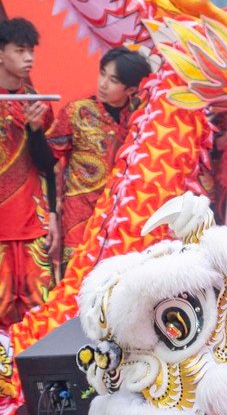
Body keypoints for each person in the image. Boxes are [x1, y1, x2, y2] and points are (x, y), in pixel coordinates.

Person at [48, 46, 153, 273]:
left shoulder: (142, 120)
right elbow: (47, 161)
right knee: (75, 285)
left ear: (131, 89)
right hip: (78, 218)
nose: (103, 83)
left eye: (113, 80)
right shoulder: (77, 112)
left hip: (122, 219)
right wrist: (51, 212)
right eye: (102, 73)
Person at [0, 17, 54, 324]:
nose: (29, 57)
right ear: (1, 54)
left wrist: (35, 128)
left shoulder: (37, 102)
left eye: (31, 50)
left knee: (40, 311)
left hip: (32, 224)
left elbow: (47, 164)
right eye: (20, 50)